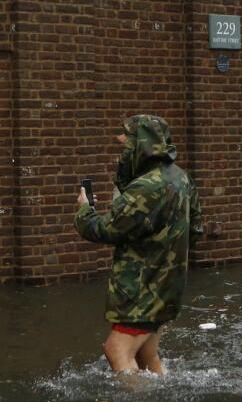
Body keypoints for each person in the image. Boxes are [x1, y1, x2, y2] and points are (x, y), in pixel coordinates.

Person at [74, 114, 202, 374]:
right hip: (169, 285)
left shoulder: (146, 187)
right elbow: (196, 230)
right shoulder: (182, 178)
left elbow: (105, 229)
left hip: (142, 288)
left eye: (127, 142)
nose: (122, 148)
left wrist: (84, 210)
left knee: (116, 350)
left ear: (141, 144)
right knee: (146, 355)